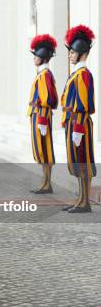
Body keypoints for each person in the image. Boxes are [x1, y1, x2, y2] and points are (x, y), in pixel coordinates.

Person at [61, 25, 96, 213]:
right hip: (74, 123)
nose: (69, 55)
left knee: (83, 162)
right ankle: (81, 200)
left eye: (72, 52)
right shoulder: (77, 74)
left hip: (78, 123)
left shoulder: (82, 75)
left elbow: (82, 104)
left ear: (82, 53)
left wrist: (78, 129)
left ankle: (85, 202)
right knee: (77, 162)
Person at [23, 37, 58, 194]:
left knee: (44, 150)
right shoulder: (43, 73)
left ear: (43, 56)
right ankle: (45, 182)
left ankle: (46, 183)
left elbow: (47, 100)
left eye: (36, 55)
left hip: (41, 116)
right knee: (42, 150)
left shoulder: (44, 75)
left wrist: (42, 120)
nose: (34, 58)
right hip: (39, 116)